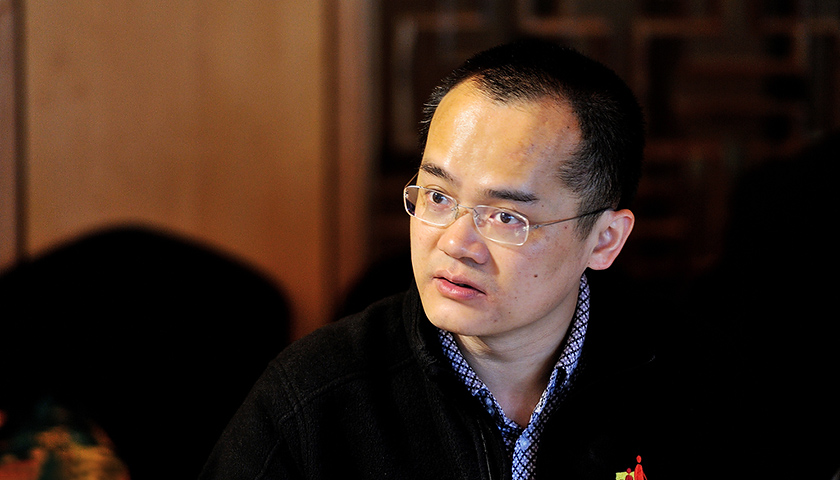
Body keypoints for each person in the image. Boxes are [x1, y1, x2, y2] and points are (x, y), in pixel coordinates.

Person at [200, 39, 689, 480]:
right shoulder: (312, 399)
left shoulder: (696, 388)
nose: (455, 243)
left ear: (604, 240)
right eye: (437, 196)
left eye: (506, 217)